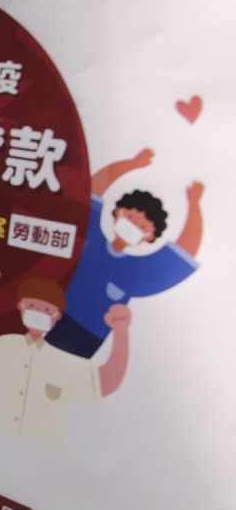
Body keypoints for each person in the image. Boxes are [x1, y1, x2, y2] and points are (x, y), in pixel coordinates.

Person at [47, 149, 203, 358]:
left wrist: (194, 207)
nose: (133, 226)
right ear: (118, 211)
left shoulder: (136, 270)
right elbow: (92, 191)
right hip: (50, 311)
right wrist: (131, 164)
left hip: (88, 334)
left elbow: (180, 256)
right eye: (129, 218)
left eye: (142, 227)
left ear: (150, 236)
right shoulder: (92, 238)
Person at [0, 278, 132, 447]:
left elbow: (106, 382)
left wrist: (120, 330)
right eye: (32, 306)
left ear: (57, 317)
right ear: (20, 306)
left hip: (39, 452)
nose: (38, 314)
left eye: (47, 310)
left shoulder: (62, 361)